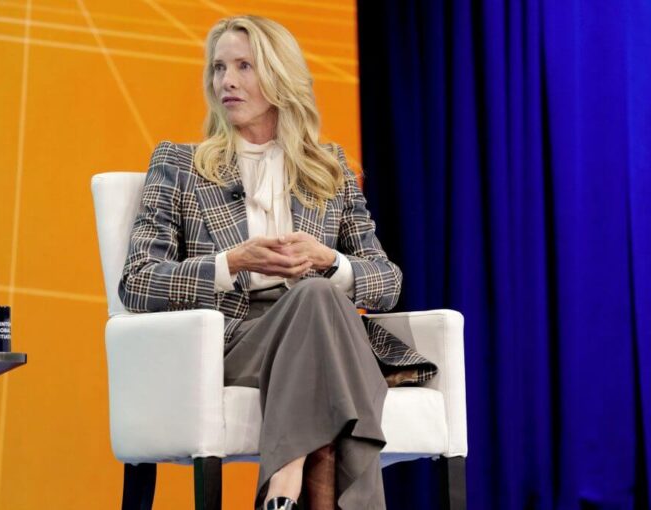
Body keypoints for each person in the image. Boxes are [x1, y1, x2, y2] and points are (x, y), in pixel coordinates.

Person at [119, 15, 436, 510]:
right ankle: (294, 481)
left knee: (318, 295)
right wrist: (230, 263)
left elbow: (387, 283)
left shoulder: (329, 170)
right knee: (318, 302)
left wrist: (332, 261)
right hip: (232, 341)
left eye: (244, 66)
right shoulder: (180, 165)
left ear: (280, 75)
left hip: (321, 335)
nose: (226, 81)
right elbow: (138, 282)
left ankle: (285, 489)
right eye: (219, 68)